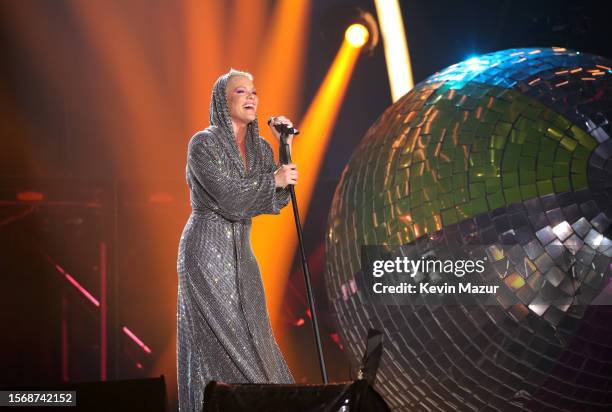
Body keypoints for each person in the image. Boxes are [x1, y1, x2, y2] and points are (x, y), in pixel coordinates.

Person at [176, 69, 297, 411]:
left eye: (254, 92)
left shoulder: (259, 147)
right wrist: (273, 180)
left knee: (258, 340)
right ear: (222, 100)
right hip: (205, 252)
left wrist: (284, 145)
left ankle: (276, 402)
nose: (251, 98)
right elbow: (229, 198)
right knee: (224, 346)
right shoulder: (203, 144)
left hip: (243, 255)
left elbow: (278, 199)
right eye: (241, 91)